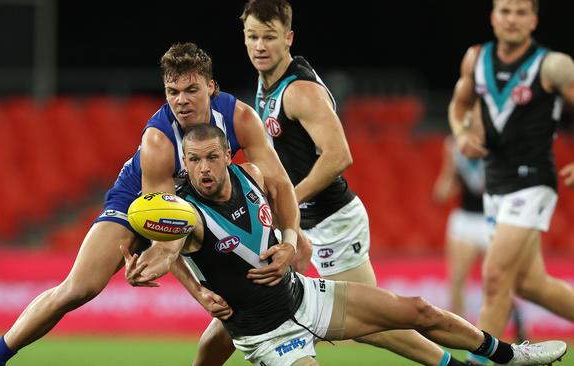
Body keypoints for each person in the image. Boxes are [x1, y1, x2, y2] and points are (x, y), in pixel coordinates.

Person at [0, 42, 306, 366]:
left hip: (199, 204)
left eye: (191, 90)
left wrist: (290, 240)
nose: (181, 100)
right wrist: (198, 292)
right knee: (79, 288)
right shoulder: (158, 140)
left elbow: (277, 183)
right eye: (172, 92)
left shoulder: (239, 118)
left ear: (211, 87)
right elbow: (166, 225)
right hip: (140, 203)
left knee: (277, 212)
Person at [122, 123, 567, 366]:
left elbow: (282, 205)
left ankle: (509, 355)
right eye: (193, 160)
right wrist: (147, 266)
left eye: (212, 157)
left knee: (418, 310)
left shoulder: (252, 176)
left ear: (227, 156)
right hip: (271, 336)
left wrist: (293, 239)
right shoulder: (184, 215)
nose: (203, 168)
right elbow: (166, 250)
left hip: (307, 297)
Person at [193, 1, 470, 365]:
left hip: (331, 221)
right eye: (252, 37)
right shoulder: (266, 84)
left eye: (269, 37)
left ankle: (457, 362)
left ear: (288, 38)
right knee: (244, 308)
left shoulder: (299, 91)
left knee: (377, 323)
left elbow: (339, 156)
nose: (260, 46)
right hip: (304, 224)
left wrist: (286, 202)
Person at [447, 0, 574, 364]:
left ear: (534, 20)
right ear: (492, 17)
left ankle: (481, 361)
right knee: (529, 284)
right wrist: (460, 134)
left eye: (521, 12)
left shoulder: (553, 65)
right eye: (505, 11)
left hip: (533, 182)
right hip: (496, 184)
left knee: (495, 275)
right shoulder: (475, 59)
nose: (512, 19)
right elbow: (458, 105)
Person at [432, 134, 526, 341]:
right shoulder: (455, 146)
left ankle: (515, 327)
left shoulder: (497, 141)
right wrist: (443, 187)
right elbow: (448, 181)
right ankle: (459, 333)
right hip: (465, 219)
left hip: (492, 219)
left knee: (499, 280)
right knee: (457, 279)